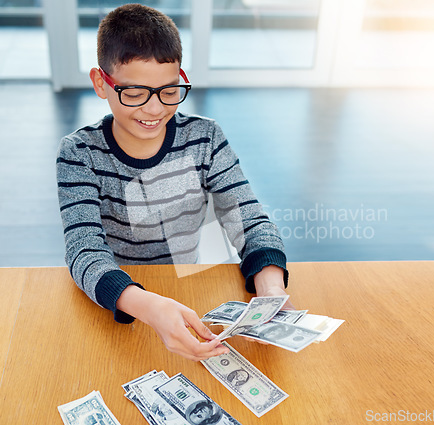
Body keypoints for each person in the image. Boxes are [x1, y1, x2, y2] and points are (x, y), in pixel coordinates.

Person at [56, 3, 292, 362]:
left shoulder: (205, 137)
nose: (154, 110)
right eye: (134, 93)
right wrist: (146, 305)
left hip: (186, 285)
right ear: (101, 83)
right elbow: (83, 249)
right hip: (116, 295)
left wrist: (270, 286)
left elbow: (248, 218)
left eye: (168, 91)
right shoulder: (79, 153)